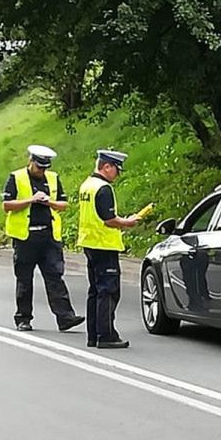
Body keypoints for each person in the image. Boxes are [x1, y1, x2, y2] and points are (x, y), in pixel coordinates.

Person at [1, 145, 84, 333]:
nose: (42, 171)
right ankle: (23, 319)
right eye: (39, 167)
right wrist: (31, 199)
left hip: (49, 237)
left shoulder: (53, 178)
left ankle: (65, 317)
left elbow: (63, 204)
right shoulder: (16, 177)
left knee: (55, 277)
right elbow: (6, 205)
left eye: (45, 167)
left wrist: (49, 202)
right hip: (25, 238)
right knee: (24, 279)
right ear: (30, 162)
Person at [77, 149, 140, 349]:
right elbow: (109, 219)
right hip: (104, 245)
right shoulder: (103, 188)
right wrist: (128, 222)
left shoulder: (87, 185)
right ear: (106, 167)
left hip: (89, 243)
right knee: (108, 291)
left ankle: (93, 335)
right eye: (116, 169)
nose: (117, 174)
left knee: (94, 290)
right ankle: (106, 335)